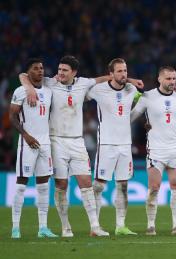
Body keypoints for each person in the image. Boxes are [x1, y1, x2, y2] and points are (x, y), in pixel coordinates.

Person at [19, 55, 113, 237]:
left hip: (77, 141)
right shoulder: (49, 83)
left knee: (86, 182)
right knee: (61, 184)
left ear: (74, 73)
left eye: (64, 70)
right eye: (59, 69)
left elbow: (103, 79)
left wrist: (129, 79)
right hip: (56, 141)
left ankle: (95, 227)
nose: (59, 73)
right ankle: (65, 227)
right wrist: (29, 88)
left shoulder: (83, 83)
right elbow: (23, 75)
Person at [131, 66, 176, 235]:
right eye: (168, 79)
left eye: (174, 78)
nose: (172, 82)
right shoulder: (148, 97)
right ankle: (151, 225)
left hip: (175, 149)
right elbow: (132, 116)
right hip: (156, 150)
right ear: (159, 79)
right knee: (154, 187)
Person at [88, 58, 143, 235]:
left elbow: (141, 103)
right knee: (98, 186)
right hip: (106, 144)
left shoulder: (131, 89)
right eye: (119, 71)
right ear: (110, 73)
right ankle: (94, 226)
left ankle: (120, 226)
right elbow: (81, 94)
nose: (123, 74)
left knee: (123, 185)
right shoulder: (98, 90)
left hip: (125, 145)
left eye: (125, 71)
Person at [10, 59, 58, 238]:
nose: (40, 71)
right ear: (28, 71)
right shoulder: (20, 91)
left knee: (44, 186)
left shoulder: (48, 90)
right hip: (27, 144)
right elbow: (12, 116)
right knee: (21, 185)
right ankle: (15, 227)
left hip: (45, 144)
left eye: (42, 68)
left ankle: (43, 228)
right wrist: (26, 135)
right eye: (35, 68)